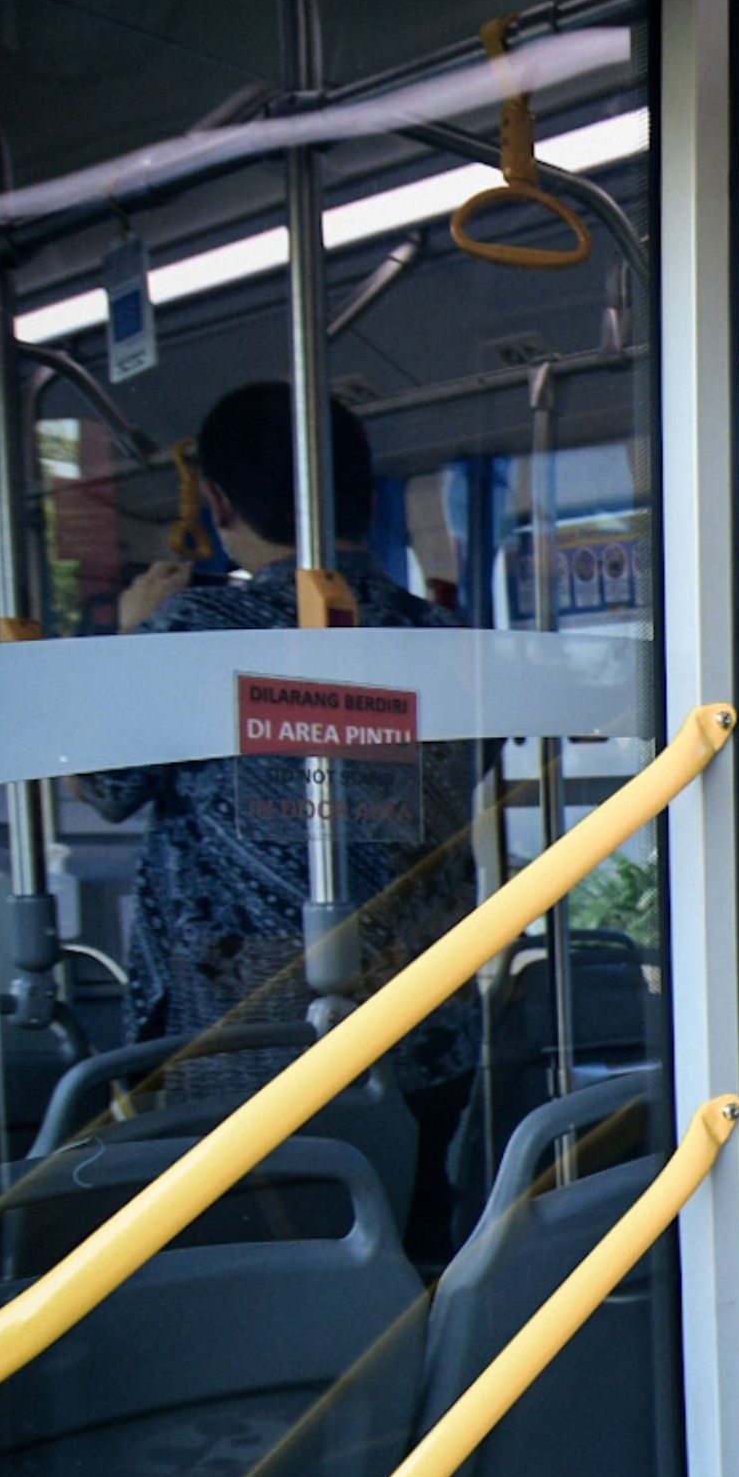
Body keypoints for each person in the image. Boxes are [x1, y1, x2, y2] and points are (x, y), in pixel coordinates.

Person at [80, 382, 483, 1263]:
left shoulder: (198, 627)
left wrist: (127, 637)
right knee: (412, 1267)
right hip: (427, 1031)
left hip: (245, 1048)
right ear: (367, 501)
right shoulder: (444, 639)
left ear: (217, 503)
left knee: (258, 1290)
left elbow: (103, 781)